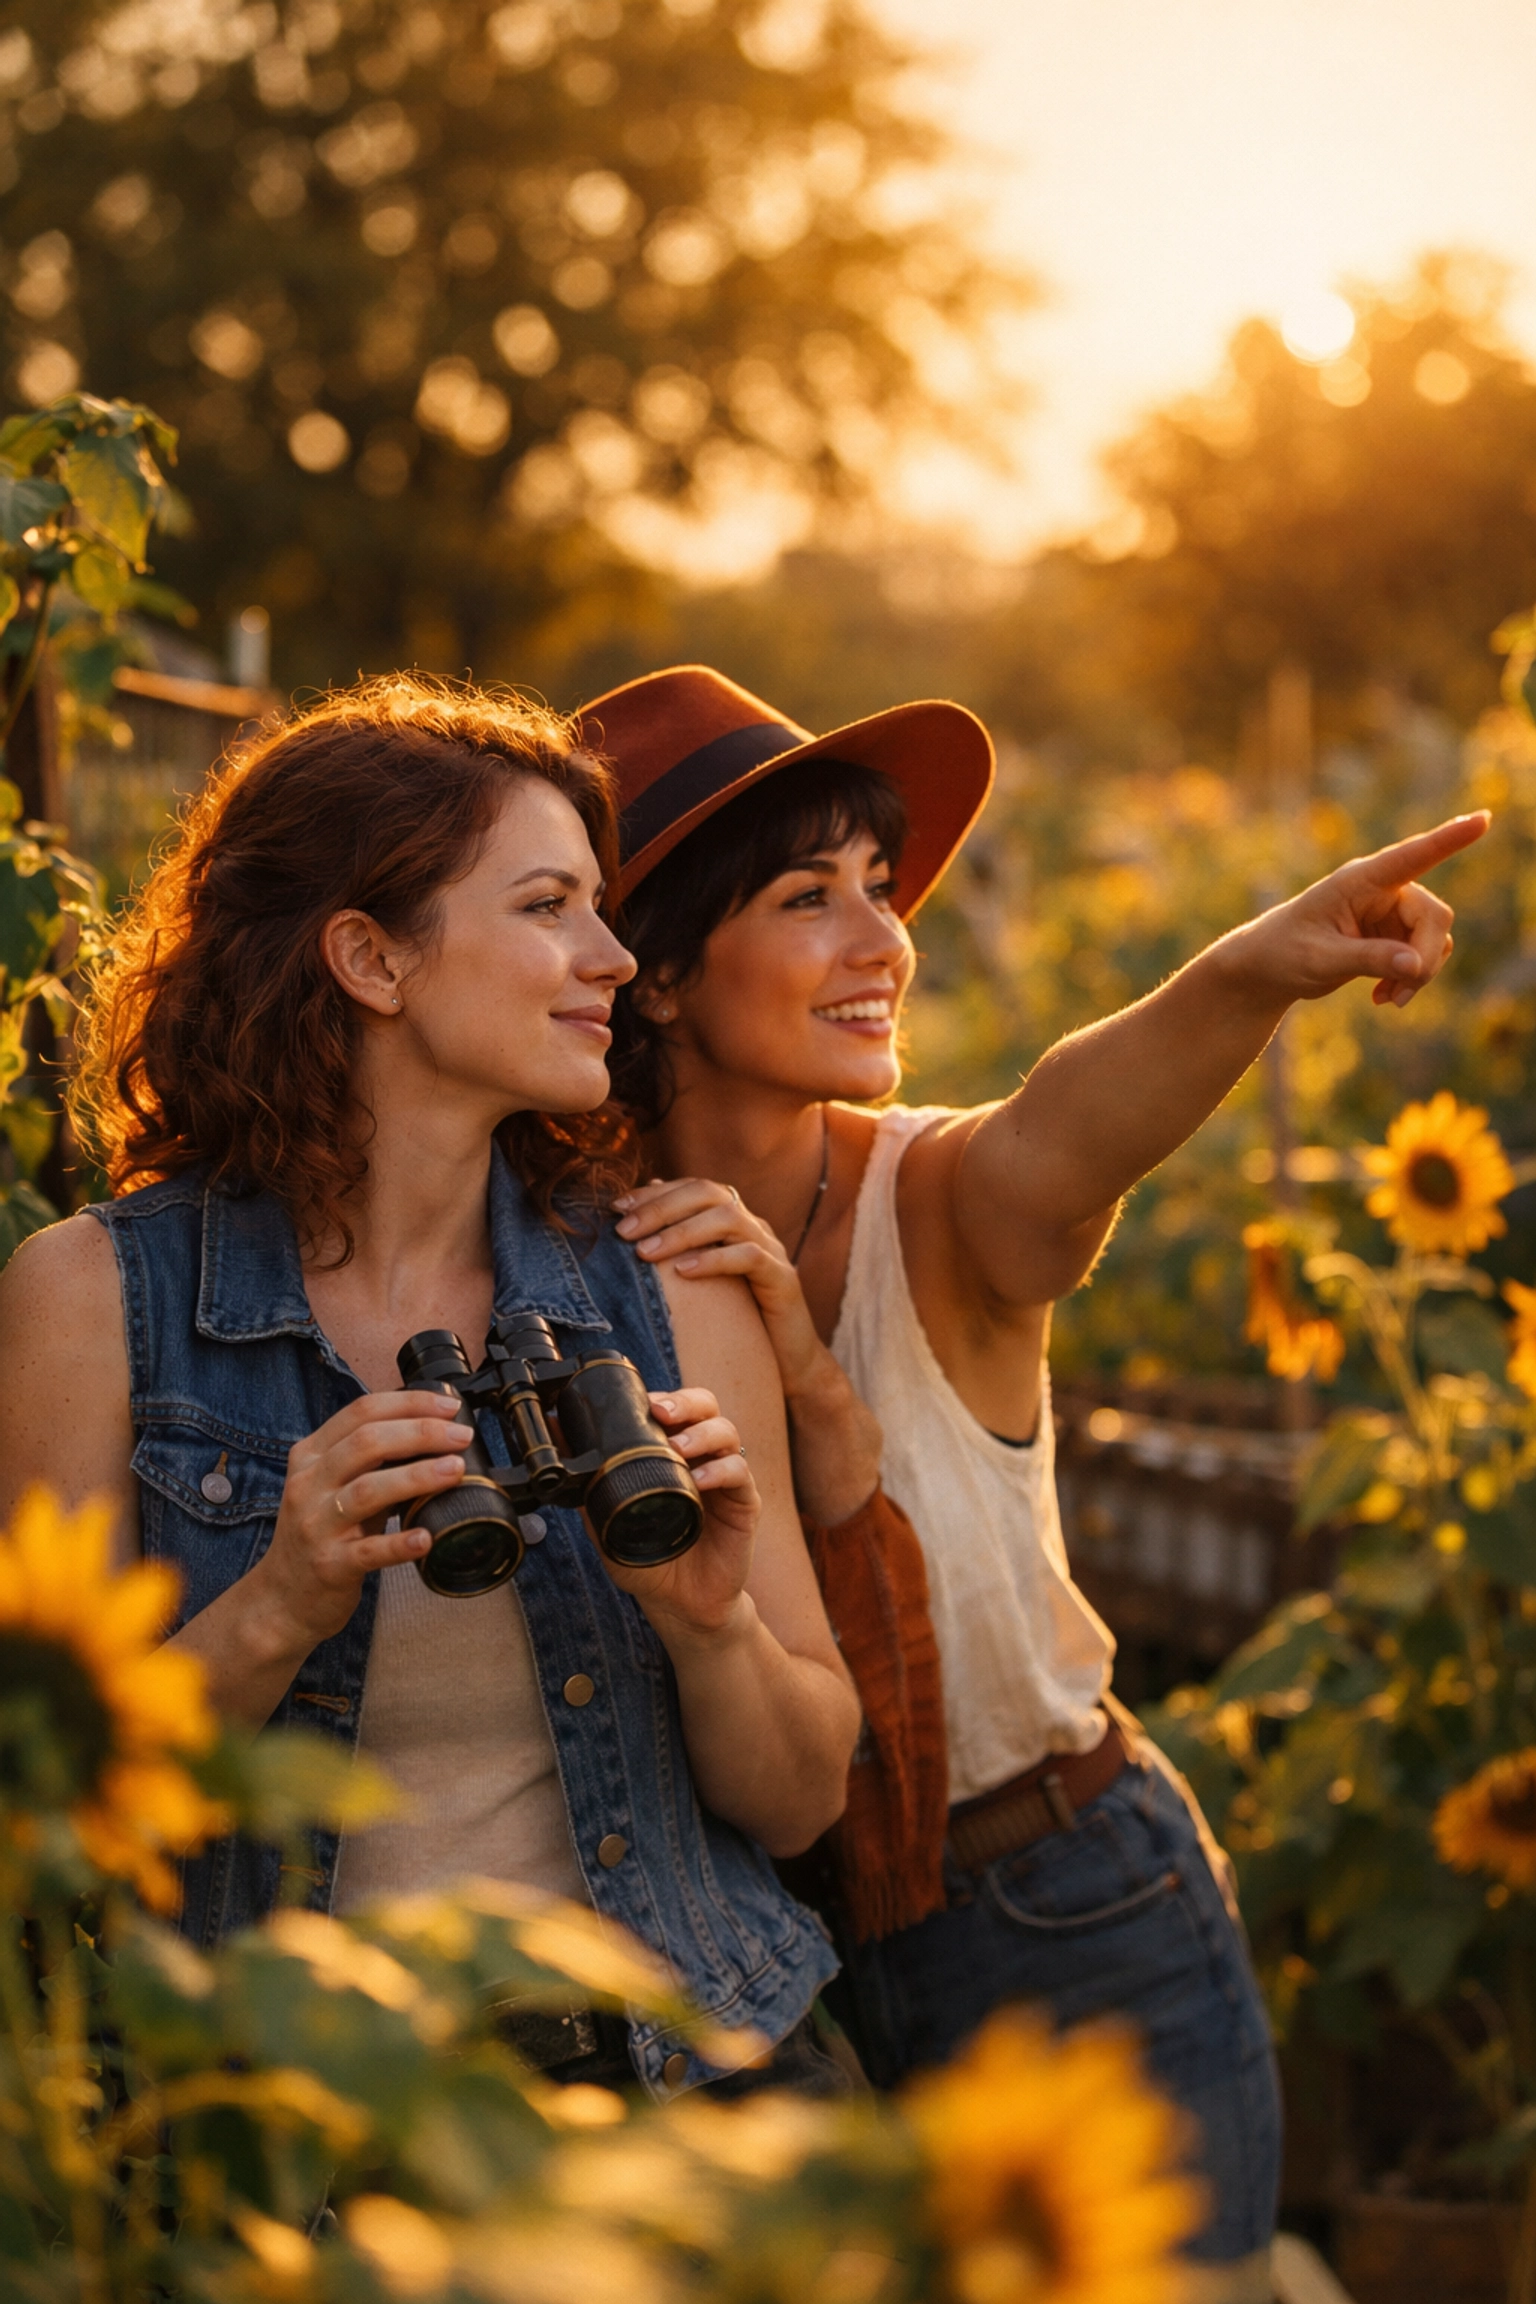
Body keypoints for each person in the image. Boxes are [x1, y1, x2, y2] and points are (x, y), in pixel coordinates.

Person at [578, 662, 1487, 2283]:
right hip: (779, 1964)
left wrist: (1251, 973)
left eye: (882, 888)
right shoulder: (573, 1254)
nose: (883, 941)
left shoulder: (937, 1206)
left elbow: (1068, 1128)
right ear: (648, 976)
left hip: (1070, 1915)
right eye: (810, 897)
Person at [0, 675, 861, 2101]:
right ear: (370, 959)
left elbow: (806, 1793)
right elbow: (35, 1812)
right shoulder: (93, 1302)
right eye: (546, 907)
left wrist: (713, 1632)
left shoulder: (668, 1288)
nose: (609, 953)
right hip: (300, 2147)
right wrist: (276, 1606)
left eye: (602, 903)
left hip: (696, 2103)